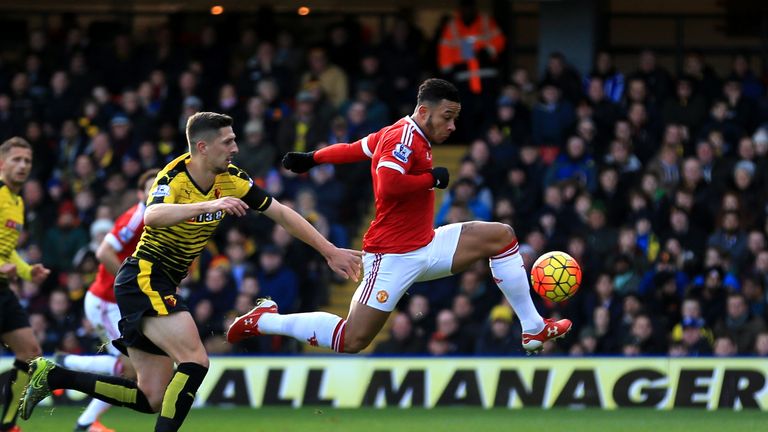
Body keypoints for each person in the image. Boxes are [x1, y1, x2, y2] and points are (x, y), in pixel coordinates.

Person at [19, 112, 362, 432]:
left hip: (158, 282)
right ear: (202, 147)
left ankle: (54, 376)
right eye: (227, 142)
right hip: (145, 276)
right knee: (196, 360)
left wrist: (329, 251)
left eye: (234, 140)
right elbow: (152, 216)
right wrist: (210, 204)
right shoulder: (173, 177)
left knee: (151, 397)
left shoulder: (233, 180)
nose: (235, 148)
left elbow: (282, 214)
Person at [228, 78, 571, 356]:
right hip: (392, 256)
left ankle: (533, 327)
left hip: (426, 243)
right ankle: (266, 321)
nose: (452, 126)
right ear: (424, 111)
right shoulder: (404, 137)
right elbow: (390, 186)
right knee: (353, 340)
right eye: (447, 116)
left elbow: (356, 148)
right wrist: (432, 179)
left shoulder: (401, 133)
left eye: (455, 118)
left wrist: (313, 158)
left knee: (501, 236)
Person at [55, 168, 158, 432]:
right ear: (139, 193)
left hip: (122, 305)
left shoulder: (160, 216)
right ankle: (69, 370)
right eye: (149, 186)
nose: (154, 190)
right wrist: (133, 284)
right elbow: (103, 252)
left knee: (131, 368)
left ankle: (84, 419)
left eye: (158, 185)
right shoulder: (137, 217)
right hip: (106, 302)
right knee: (130, 368)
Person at [0, 137, 51, 432]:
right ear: (2, 163)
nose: (22, 165)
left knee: (30, 352)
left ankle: (7, 425)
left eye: (27, 161)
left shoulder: (17, 201)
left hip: (3, 290)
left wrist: (27, 271)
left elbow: (6, 252)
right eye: (16, 159)